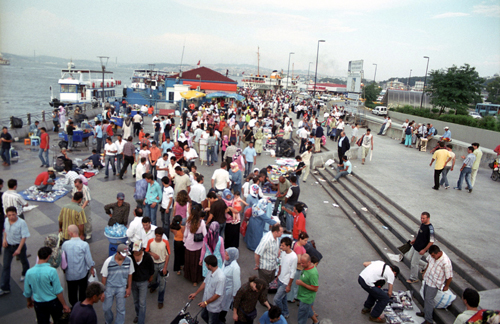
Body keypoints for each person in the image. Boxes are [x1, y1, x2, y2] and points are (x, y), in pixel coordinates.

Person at [23, 246, 71, 324]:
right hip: (53, 302)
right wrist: (64, 305)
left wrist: (29, 301)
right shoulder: (52, 271)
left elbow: (27, 291)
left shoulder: (29, 272)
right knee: (58, 321)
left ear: (38, 256)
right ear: (49, 257)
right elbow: (58, 291)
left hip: (39, 303)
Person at [417, 245, 453, 324]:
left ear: (438, 253)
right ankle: (425, 312)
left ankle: (428, 320)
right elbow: (429, 263)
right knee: (425, 297)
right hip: (428, 278)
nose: (432, 257)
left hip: (434, 283)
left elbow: (449, 276)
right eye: (431, 255)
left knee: (429, 300)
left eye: (433, 255)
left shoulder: (446, 262)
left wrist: (446, 286)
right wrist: (425, 272)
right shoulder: (431, 256)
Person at [61, 224, 95, 307]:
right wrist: (91, 268)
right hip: (81, 273)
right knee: (83, 291)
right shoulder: (84, 245)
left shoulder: (65, 244)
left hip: (70, 275)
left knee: (72, 293)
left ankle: (74, 307)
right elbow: (88, 259)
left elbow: (63, 258)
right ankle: (82, 306)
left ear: (71, 233)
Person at [0, 206, 30, 295]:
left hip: (18, 245)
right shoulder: (6, 221)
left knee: (23, 260)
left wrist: (19, 249)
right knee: (6, 266)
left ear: (16, 214)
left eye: (13, 214)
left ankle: (25, 273)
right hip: (8, 246)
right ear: (7, 215)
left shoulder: (22, 223)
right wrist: (4, 240)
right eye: (9, 215)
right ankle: (5, 287)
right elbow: (5, 231)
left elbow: (24, 237)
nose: (11, 217)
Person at [189, 255, 226, 324]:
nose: (205, 265)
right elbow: (205, 283)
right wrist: (195, 293)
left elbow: (218, 294)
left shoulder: (220, 278)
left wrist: (206, 303)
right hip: (206, 302)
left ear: (210, 266)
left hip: (214, 306)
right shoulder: (210, 271)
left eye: (206, 264)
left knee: (212, 321)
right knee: (203, 315)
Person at [406, 212, 435, 284]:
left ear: (428, 218)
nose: (422, 219)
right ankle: (425, 266)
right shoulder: (423, 224)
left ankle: (414, 278)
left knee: (414, 263)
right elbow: (419, 234)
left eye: (423, 218)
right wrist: (414, 240)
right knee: (409, 257)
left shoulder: (430, 228)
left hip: (421, 248)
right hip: (415, 245)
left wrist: (424, 250)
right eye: (421, 218)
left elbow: (431, 242)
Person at [145, 227, 170, 309]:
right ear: (155, 235)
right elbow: (147, 251)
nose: (158, 237)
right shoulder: (150, 241)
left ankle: (160, 301)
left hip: (162, 264)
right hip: (153, 264)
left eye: (160, 236)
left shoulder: (165, 242)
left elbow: (167, 255)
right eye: (157, 236)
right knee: (153, 279)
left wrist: (165, 267)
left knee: (162, 284)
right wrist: (153, 254)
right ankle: (153, 286)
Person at [184, 205, 208, 286]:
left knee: (189, 261)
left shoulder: (188, 222)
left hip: (189, 244)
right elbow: (205, 235)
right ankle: (195, 280)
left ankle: (188, 276)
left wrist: (184, 242)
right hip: (198, 246)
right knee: (196, 263)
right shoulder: (202, 223)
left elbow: (185, 234)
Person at [273, 237, 297, 319]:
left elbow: (293, 272)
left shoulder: (294, 257)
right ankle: (286, 312)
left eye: (283, 246)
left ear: (288, 246)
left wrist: (289, 285)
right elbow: (281, 264)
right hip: (280, 279)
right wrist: (278, 275)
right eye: (281, 245)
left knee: (276, 299)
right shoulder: (283, 253)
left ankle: (281, 313)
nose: (281, 247)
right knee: (283, 298)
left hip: (285, 282)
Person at [220, 248, 241, 323]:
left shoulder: (235, 268)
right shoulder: (226, 262)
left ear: (232, 256)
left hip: (228, 290)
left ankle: (222, 319)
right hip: (222, 288)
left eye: (227, 255)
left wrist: (235, 295)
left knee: (224, 307)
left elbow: (237, 283)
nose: (224, 256)